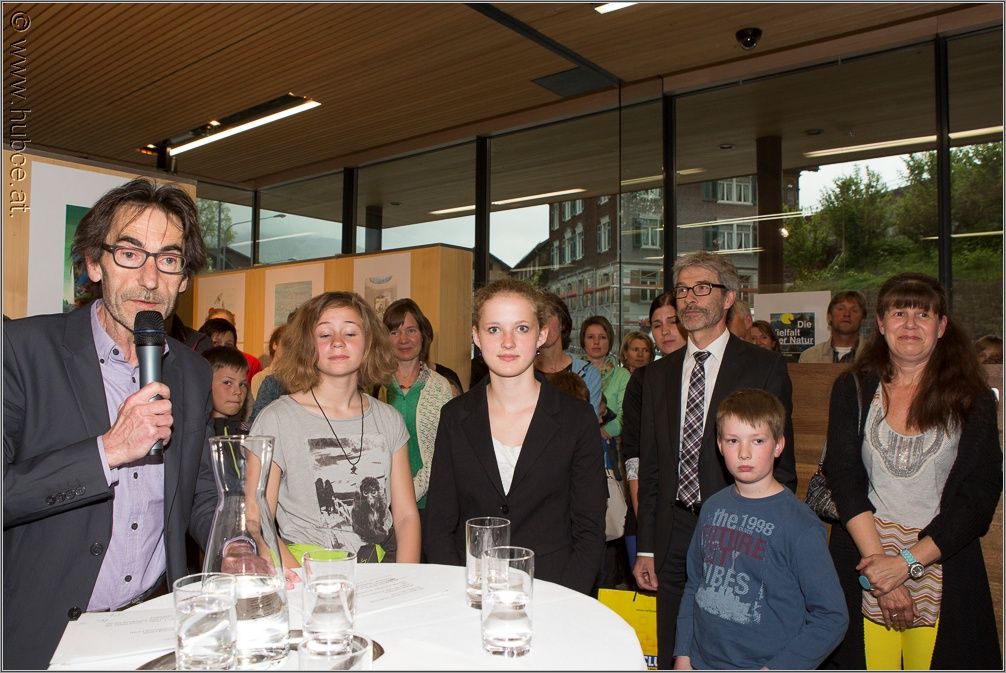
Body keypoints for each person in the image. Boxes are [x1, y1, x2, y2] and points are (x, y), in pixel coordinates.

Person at [3, 177, 217, 669]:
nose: (150, 279)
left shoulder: (192, 371)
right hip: (45, 633)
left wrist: (235, 543)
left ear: (184, 278)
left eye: (168, 259)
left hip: (157, 625)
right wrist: (108, 450)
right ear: (95, 264)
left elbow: (200, 492)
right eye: (130, 253)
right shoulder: (20, 351)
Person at [823, 272, 1002, 670]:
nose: (909, 324)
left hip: (941, 562)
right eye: (899, 312)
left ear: (941, 326)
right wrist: (881, 570)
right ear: (880, 323)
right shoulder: (853, 388)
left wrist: (906, 564)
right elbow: (844, 476)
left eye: (923, 314)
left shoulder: (972, 398)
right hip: (864, 561)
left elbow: (979, 496)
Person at [632, 251, 797, 669]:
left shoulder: (763, 367)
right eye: (683, 290)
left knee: (728, 644)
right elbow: (651, 466)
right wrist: (646, 546)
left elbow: (783, 463)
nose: (690, 298)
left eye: (702, 288)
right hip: (672, 528)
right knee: (673, 646)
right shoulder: (657, 375)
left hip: (739, 528)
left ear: (729, 297)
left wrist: (768, 538)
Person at [423, 279, 606, 594]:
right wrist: (458, 593)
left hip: (554, 589)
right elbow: (439, 524)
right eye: (494, 329)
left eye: (521, 328)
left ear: (542, 335)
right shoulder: (455, 416)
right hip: (472, 591)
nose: (507, 342)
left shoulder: (576, 418)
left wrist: (565, 600)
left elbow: (589, 530)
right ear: (476, 336)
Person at [674, 389, 847, 670]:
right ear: (720, 445)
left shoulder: (799, 524)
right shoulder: (712, 507)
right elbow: (695, 583)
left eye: (757, 441)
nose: (744, 453)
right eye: (733, 440)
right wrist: (683, 653)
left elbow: (831, 617)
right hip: (702, 662)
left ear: (778, 446)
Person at [248, 291, 421, 566]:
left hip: (379, 568)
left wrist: (404, 578)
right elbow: (258, 518)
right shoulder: (277, 419)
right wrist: (299, 579)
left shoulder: (389, 419)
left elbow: (406, 516)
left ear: (369, 343)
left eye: (350, 333)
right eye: (325, 334)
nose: (338, 342)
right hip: (304, 569)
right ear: (307, 345)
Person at [623, 293, 687, 575]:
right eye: (657, 325)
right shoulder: (643, 379)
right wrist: (646, 531)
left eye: (673, 322)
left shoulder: (712, 375)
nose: (665, 331)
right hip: (650, 510)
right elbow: (633, 455)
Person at [377, 298, 456, 527]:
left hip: (429, 504)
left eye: (411, 330)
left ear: (423, 335)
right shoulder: (374, 386)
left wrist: (407, 494)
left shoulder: (441, 387)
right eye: (394, 332)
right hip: (380, 503)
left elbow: (441, 452)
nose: (403, 339)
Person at [581, 315, 632, 589]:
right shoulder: (576, 370)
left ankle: (609, 581)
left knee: (609, 514)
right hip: (580, 447)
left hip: (608, 449)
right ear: (583, 341)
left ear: (609, 341)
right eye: (591, 337)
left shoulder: (621, 375)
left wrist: (602, 431)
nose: (596, 342)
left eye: (602, 337)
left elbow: (624, 414)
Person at [535, 291, 602, 414]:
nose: (542, 325)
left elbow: (589, 420)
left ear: (563, 323)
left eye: (547, 317)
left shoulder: (588, 373)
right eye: (537, 319)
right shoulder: (523, 371)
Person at [799, 290, 867, 363]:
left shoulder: (874, 356)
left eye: (854, 310)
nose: (847, 314)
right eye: (840, 309)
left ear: (862, 319)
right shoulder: (809, 357)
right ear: (829, 317)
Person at [200, 311, 263, 385]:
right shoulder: (195, 367)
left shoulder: (250, 363)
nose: (223, 349)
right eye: (216, 343)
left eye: (228, 344)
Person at [204, 345, 251, 436]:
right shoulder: (198, 434)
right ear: (206, 383)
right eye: (227, 383)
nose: (238, 391)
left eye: (242, 384)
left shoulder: (249, 433)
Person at [251, 324, 287, 400]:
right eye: (286, 344)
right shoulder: (260, 377)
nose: (289, 350)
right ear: (275, 345)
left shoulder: (294, 378)